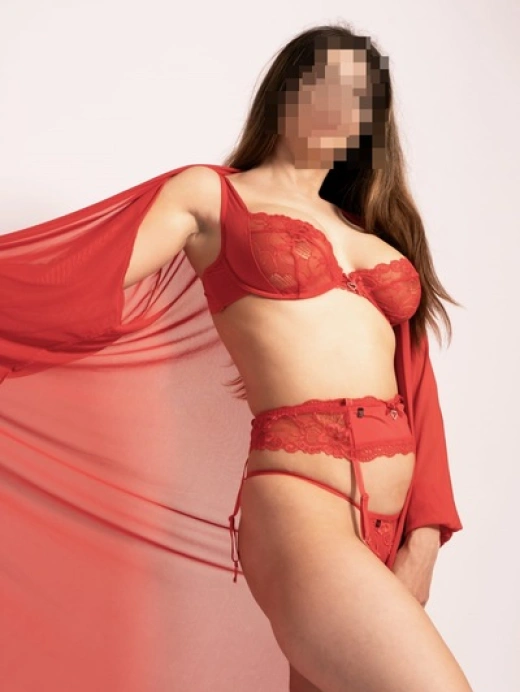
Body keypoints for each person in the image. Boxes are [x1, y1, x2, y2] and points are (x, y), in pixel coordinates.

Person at [0, 23, 471, 692]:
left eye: (361, 96)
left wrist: (423, 540)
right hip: (303, 511)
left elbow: (418, 392)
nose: (342, 106)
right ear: (286, 91)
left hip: (390, 526)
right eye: (326, 84)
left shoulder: (376, 231)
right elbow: (73, 287)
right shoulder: (211, 197)